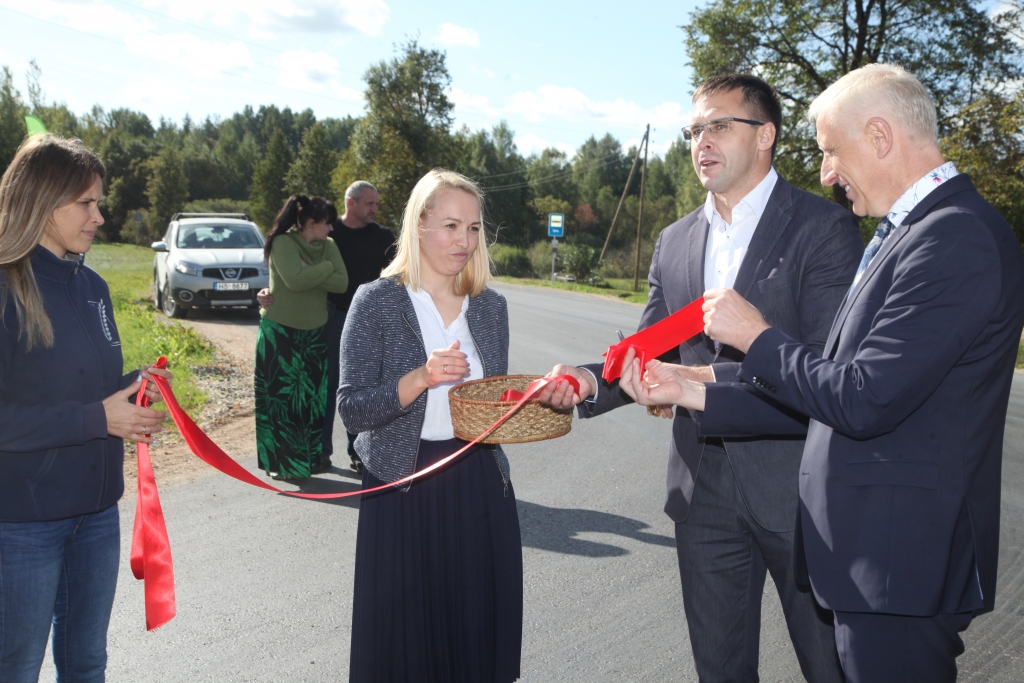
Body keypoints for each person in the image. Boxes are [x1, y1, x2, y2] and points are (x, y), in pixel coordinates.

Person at [617, 63, 1024, 683]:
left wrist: (756, 338)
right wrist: (683, 388)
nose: (827, 171)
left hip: (896, 564)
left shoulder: (953, 237)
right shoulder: (907, 234)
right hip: (869, 559)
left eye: (832, 150)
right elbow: (664, 344)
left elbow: (859, 394)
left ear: (881, 137)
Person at [540, 74, 862, 683]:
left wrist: (698, 382)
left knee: (832, 669)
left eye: (719, 125)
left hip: (798, 490)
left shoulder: (823, 229)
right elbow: (650, 347)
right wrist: (586, 380)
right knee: (720, 671)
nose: (701, 142)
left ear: (765, 135)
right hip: (701, 490)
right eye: (693, 130)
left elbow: (825, 365)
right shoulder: (675, 239)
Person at [338, 169, 521, 682]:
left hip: (477, 483)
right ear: (418, 226)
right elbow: (352, 410)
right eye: (450, 226)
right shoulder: (376, 300)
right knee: (404, 646)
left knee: (474, 636)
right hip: (401, 486)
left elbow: (491, 406)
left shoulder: (491, 307)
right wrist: (418, 378)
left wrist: (530, 401)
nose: (464, 241)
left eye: (474, 228)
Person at [0, 134, 172, 682]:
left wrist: (135, 387)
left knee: (87, 662)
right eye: (87, 203)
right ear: (43, 203)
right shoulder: (5, 287)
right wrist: (99, 418)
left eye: (99, 202)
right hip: (23, 523)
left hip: (96, 514)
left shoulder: (93, 286)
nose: (99, 216)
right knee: (18, 665)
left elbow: (82, 387)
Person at [257, 181, 395, 474]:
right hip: (330, 317)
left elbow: (389, 274)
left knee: (361, 387)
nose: (375, 209)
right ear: (351, 203)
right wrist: (272, 291)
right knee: (323, 388)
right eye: (369, 203)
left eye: (376, 204)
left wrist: (310, 274)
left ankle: (360, 452)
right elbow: (291, 278)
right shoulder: (322, 236)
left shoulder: (382, 236)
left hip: (367, 321)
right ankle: (318, 454)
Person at [255, 194, 348, 480]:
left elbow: (342, 283)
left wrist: (313, 272)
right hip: (280, 333)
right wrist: (325, 270)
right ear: (310, 223)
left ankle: (303, 463)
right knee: (280, 403)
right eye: (327, 224)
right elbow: (294, 280)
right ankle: (281, 465)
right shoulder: (283, 242)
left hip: (315, 334)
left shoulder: (329, 246)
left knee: (310, 402)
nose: (331, 229)